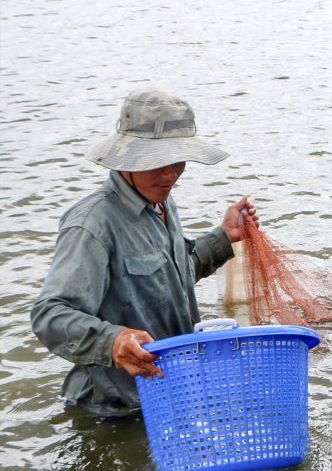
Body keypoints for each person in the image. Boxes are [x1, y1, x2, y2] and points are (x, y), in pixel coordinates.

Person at [31, 88, 257, 417]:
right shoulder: (92, 225)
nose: (170, 174)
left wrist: (225, 237)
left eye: (177, 161)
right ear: (128, 160)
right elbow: (49, 315)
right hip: (113, 410)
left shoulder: (161, 202)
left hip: (168, 390)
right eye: (157, 163)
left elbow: (173, 277)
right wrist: (113, 341)